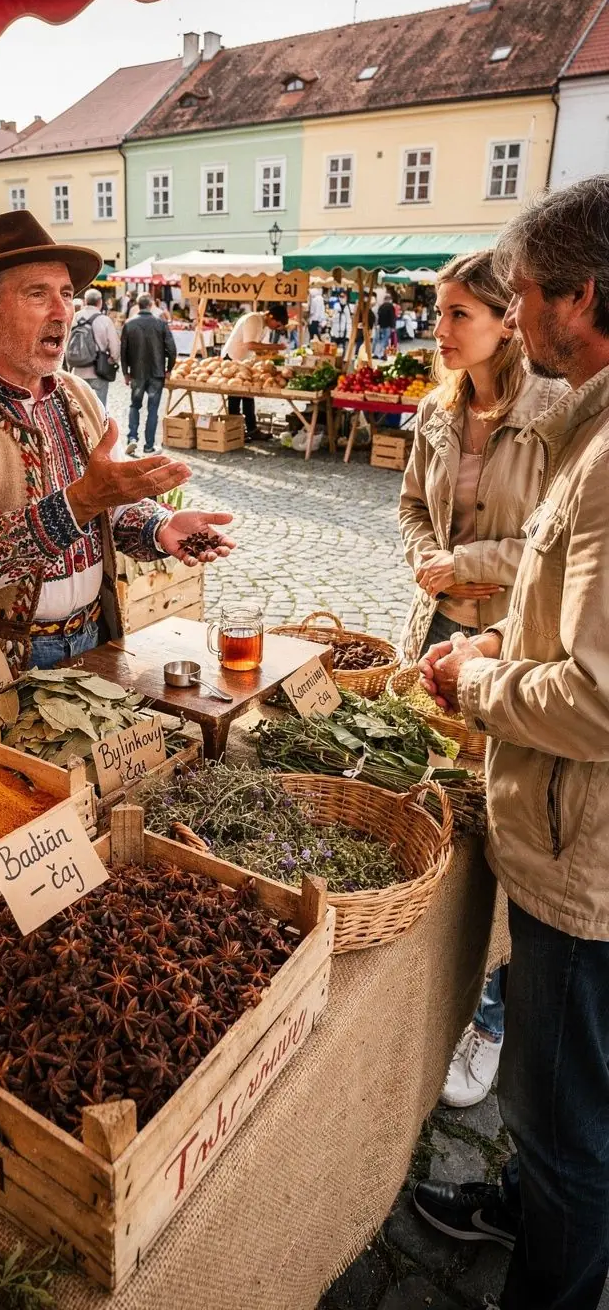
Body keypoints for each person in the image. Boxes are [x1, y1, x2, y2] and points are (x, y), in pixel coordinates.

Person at [413, 176, 609, 1310]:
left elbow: (594, 698)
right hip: (571, 825)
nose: (515, 310)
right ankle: (539, 1206)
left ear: (580, 299)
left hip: (583, 852)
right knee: (568, 1108)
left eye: (526, 292)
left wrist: (483, 674)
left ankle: (552, 1269)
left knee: (567, 1113)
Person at [0, 211, 234, 715]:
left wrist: (161, 527)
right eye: (37, 294)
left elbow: (106, 509)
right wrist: (82, 499)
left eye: (67, 293)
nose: (62, 312)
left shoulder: (77, 396)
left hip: (92, 639)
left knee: (88, 791)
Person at [399, 250, 567, 1108]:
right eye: (439, 312)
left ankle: (490, 1014)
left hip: (516, 643)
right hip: (436, 632)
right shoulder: (435, 408)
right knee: (445, 810)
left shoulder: (554, 416)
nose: (440, 330)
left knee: (504, 821)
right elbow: (407, 506)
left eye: (459, 314)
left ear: (508, 320)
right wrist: (429, 557)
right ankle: (441, 983)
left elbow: (551, 543)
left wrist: (466, 560)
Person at [221, 302, 288, 441]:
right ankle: (236, 432)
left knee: (248, 395)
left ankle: (251, 429)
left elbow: (255, 347)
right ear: (270, 316)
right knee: (235, 397)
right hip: (233, 358)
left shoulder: (263, 324)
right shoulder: (254, 320)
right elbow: (250, 344)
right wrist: (274, 346)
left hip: (244, 360)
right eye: (278, 324)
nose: (278, 328)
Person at [121, 293, 177, 455]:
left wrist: (126, 372)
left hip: (137, 373)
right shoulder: (160, 323)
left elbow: (123, 351)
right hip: (156, 372)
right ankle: (149, 445)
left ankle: (132, 438)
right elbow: (172, 349)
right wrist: (169, 369)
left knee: (135, 405)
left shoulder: (129, 324)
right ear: (151, 305)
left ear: (138, 305)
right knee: (153, 409)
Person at [66, 286, 120, 408]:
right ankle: (99, 426)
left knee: (80, 407)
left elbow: (66, 342)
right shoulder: (104, 320)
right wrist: (113, 360)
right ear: (100, 302)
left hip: (77, 370)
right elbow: (115, 347)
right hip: (99, 370)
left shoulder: (74, 317)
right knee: (99, 408)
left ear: (85, 301)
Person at [373, 293, 396, 358]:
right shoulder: (391, 307)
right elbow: (392, 317)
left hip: (380, 326)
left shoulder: (381, 306)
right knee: (385, 340)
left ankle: (381, 354)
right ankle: (379, 354)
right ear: (390, 300)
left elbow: (378, 316)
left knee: (380, 340)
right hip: (388, 326)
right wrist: (393, 327)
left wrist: (377, 324)